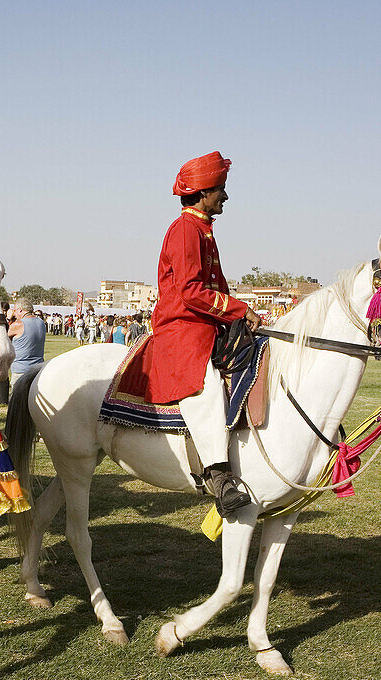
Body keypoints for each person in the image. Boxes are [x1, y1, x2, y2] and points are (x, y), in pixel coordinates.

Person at [142, 151, 260, 517]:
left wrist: (242, 317)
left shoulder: (204, 231)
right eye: (220, 190)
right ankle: (219, 477)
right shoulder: (184, 230)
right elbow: (192, 291)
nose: (224, 197)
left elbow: (219, 287)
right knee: (207, 386)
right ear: (202, 191)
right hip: (182, 328)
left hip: (204, 324)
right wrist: (240, 309)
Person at [8, 299, 45, 384]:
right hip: (37, 368)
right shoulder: (41, 322)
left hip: (21, 370)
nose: (15, 314)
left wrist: (9, 318)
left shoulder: (18, 325)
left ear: (20, 310)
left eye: (15, 311)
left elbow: (4, 338)